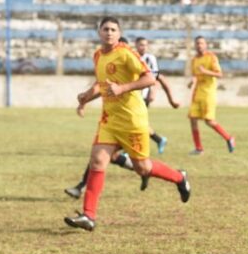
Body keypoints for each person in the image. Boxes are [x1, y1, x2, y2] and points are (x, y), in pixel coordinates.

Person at [64, 17, 191, 231]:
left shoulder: (126, 53)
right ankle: (88, 216)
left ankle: (179, 177)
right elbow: (101, 85)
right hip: (109, 120)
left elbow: (150, 78)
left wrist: (123, 88)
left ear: (119, 32)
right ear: (99, 32)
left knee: (143, 168)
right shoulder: (98, 55)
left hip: (132, 121)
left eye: (114, 29)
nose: (109, 33)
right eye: (106, 29)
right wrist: (86, 97)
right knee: (97, 161)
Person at [65, 36, 177, 199]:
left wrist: (171, 99)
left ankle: (157, 163)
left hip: (135, 110)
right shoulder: (107, 59)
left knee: (111, 156)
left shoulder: (137, 59)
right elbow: (103, 88)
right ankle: (84, 193)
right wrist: (85, 101)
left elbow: (157, 78)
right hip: (115, 116)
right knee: (105, 155)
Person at [187, 36, 235, 155]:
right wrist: (192, 81)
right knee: (192, 119)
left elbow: (219, 74)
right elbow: (195, 75)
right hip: (197, 93)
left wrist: (205, 72)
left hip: (208, 94)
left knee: (209, 121)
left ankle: (229, 138)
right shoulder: (194, 60)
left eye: (201, 43)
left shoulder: (211, 57)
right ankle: (199, 148)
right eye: (197, 43)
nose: (199, 45)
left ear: (206, 44)